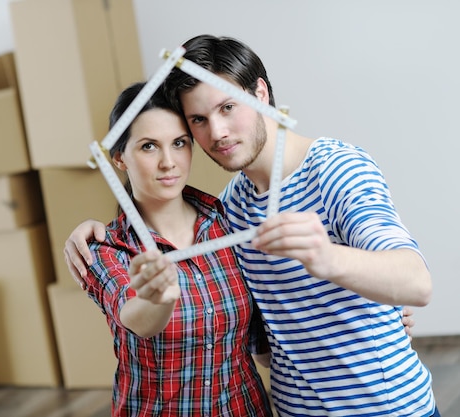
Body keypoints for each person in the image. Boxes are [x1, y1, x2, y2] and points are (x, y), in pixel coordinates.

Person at [65, 35, 438, 416]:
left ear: (260, 93)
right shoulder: (231, 209)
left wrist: (329, 260)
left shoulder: (335, 170)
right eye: (199, 120)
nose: (218, 132)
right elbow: (262, 337)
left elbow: (416, 282)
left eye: (228, 107)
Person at [81, 81, 274, 416]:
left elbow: (267, 337)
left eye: (179, 143)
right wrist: (158, 298)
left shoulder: (228, 221)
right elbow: (137, 320)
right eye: (148, 147)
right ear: (119, 158)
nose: (168, 162)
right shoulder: (107, 249)